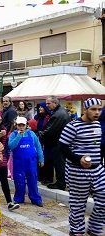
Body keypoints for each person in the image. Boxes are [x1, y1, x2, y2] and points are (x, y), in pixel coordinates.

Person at [59, 98, 104, 236]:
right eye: (93, 109)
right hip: (77, 171)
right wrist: (79, 159)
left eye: (99, 109)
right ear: (85, 110)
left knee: (103, 199)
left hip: (97, 169)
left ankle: (94, 227)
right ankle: (76, 231)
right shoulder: (73, 126)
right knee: (78, 204)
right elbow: (62, 147)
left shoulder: (97, 125)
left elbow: (97, 146)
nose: (97, 112)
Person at [8, 116, 44, 207]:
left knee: (32, 179)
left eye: (22, 125)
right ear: (16, 125)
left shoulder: (31, 134)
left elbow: (38, 146)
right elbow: (11, 146)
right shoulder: (13, 134)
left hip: (31, 162)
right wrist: (18, 137)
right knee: (19, 180)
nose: (21, 127)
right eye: (19, 125)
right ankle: (19, 198)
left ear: (26, 125)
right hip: (18, 162)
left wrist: (41, 158)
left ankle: (36, 198)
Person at [38, 95, 70, 190]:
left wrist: (38, 134)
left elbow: (49, 131)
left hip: (58, 143)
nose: (47, 105)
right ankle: (61, 182)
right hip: (60, 141)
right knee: (60, 163)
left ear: (55, 103)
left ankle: (61, 183)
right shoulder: (59, 112)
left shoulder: (58, 114)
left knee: (59, 163)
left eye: (48, 103)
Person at [34, 102, 53, 184]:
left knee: (48, 158)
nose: (40, 109)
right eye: (39, 107)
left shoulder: (49, 117)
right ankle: (40, 176)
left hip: (47, 141)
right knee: (39, 157)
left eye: (42, 107)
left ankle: (48, 178)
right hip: (38, 140)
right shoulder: (37, 117)